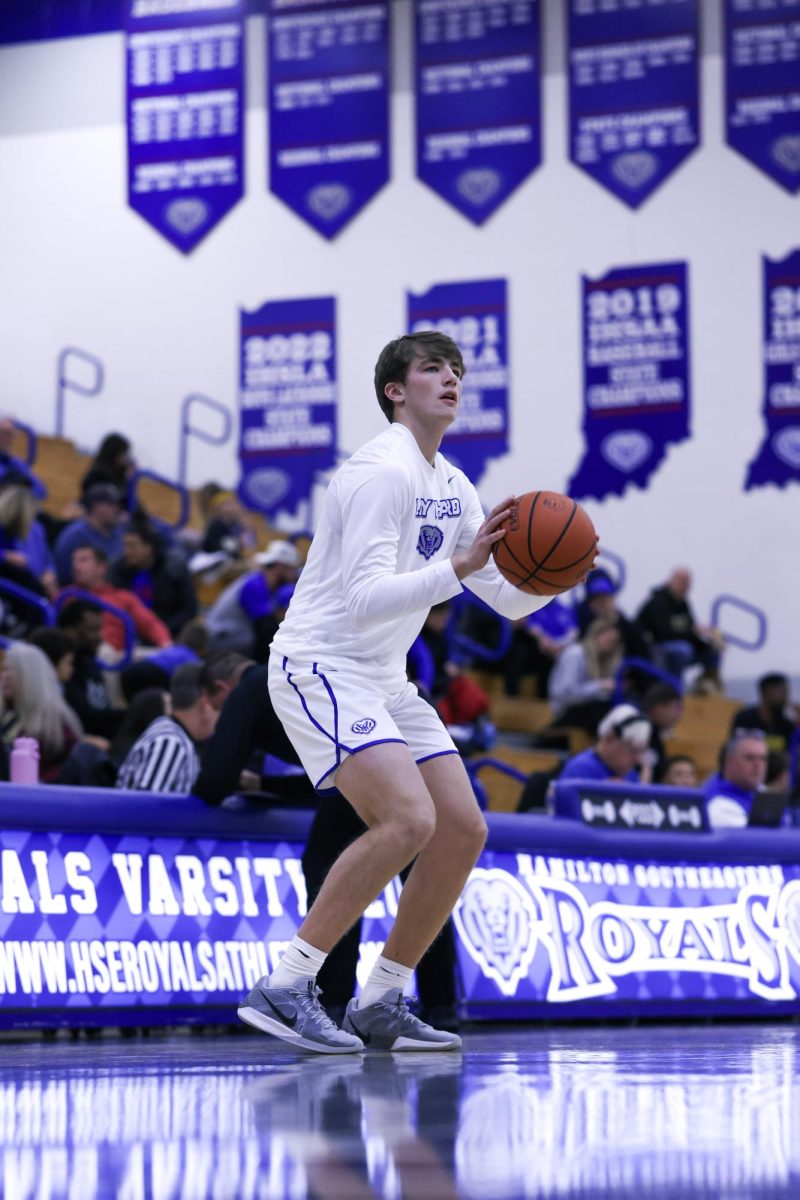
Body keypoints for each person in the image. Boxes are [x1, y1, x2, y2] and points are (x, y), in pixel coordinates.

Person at [238, 330, 570, 1055]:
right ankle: (287, 985)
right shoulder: (381, 472)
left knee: (462, 827)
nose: (451, 379)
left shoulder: (453, 484)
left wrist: (560, 577)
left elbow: (505, 600)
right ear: (397, 389)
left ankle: (383, 997)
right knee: (406, 821)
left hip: (385, 678)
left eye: (457, 370)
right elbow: (362, 601)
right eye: (432, 369)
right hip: (320, 664)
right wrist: (457, 565)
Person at [116, 663, 217, 793]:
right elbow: (146, 809)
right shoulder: (170, 743)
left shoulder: (174, 735)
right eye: (221, 706)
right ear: (205, 705)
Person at [0, 641, 83, 782]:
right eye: (4, 670)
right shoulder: (8, 716)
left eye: (12, 670)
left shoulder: (56, 726)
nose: (5, 676)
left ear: (31, 677)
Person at [67, 545, 172, 654]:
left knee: (174, 656)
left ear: (101, 567)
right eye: (74, 561)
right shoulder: (67, 596)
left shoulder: (123, 597)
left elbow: (150, 624)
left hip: (121, 655)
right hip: (86, 653)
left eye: (83, 560)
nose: (76, 566)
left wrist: (166, 643)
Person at [205, 540, 300, 659]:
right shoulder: (255, 585)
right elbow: (266, 628)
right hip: (220, 637)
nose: (295, 575)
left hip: (228, 634)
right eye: (292, 569)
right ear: (280, 566)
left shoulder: (260, 580)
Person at [110, 521, 198, 637]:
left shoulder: (174, 569)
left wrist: (162, 631)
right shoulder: (119, 571)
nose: (127, 552)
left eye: (132, 546)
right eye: (125, 546)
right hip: (129, 636)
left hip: (170, 634)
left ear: (149, 547)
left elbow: (189, 609)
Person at [635, 567, 720, 682]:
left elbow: (690, 630)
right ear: (671, 581)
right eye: (681, 581)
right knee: (683, 650)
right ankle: (675, 689)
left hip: (678, 644)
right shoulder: (658, 602)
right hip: (655, 647)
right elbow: (663, 634)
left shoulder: (683, 603)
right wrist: (694, 632)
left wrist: (707, 644)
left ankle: (707, 687)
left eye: (688, 583)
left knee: (714, 648)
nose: (685, 587)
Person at [57, 598, 122, 738]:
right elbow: (83, 719)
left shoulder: (91, 664)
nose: (100, 637)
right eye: (92, 630)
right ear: (70, 631)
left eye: (100, 629)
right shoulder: (61, 670)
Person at [547, 616, 622, 732]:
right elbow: (566, 694)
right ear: (596, 635)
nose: (610, 645)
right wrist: (600, 685)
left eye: (613, 642)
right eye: (607, 639)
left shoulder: (606, 661)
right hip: (565, 712)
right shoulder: (575, 654)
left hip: (588, 709)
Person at [558, 704, 652, 784]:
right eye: (632, 750)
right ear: (609, 739)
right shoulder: (579, 770)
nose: (637, 759)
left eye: (641, 751)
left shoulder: (630, 775)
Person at [54, 484, 126, 585]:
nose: (117, 510)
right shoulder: (75, 535)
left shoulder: (119, 532)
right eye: (111, 505)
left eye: (118, 506)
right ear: (96, 507)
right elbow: (63, 575)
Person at [703, 731, 768, 829]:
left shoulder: (763, 792)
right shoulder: (719, 805)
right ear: (729, 761)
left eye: (762, 759)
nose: (758, 765)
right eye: (750, 758)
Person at [730, 673, 799, 754]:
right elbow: (734, 749)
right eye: (782, 691)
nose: (786, 697)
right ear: (767, 692)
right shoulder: (744, 719)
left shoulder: (786, 725)